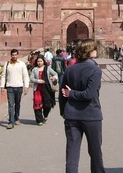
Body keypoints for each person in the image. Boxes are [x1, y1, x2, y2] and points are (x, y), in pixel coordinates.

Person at [59, 38, 105, 173]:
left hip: (71, 116)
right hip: (91, 116)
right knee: (95, 153)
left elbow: (62, 94)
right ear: (89, 51)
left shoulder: (70, 70)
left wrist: (63, 111)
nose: (96, 50)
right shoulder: (95, 70)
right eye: (94, 48)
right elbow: (89, 94)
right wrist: (72, 93)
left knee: (72, 154)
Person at [0, 49, 30, 129]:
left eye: (15, 55)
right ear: (11, 55)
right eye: (13, 55)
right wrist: (2, 86)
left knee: (17, 104)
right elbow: (3, 76)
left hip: (19, 87)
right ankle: (11, 122)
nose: (14, 56)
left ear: (17, 55)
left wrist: (26, 87)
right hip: (10, 87)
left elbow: (25, 76)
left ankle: (16, 117)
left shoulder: (22, 64)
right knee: (10, 105)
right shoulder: (7, 64)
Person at [30, 55, 58, 125]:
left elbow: (55, 74)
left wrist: (54, 78)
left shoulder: (48, 69)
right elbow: (31, 78)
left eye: (41, 61)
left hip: (47, 89)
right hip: (37, 89)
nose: (39, 63)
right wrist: (38, 81)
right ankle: (39, 120)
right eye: (38, 61)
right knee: (37, 104)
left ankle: (45, 116)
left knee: (47, 105)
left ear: (43, 61)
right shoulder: (34, 69)